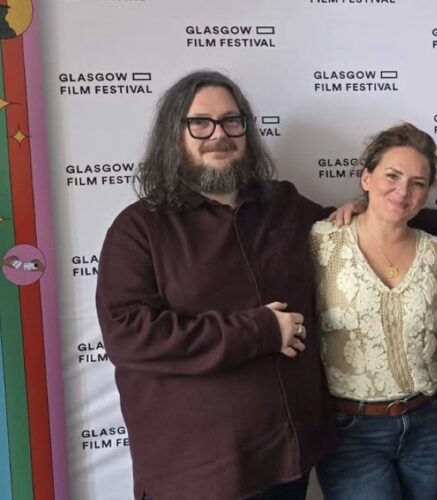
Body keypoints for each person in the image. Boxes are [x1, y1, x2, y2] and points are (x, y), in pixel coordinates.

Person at [95, 70, 337, 500]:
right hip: (197, 476)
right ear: (176, 134)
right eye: (201, 123)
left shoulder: (283, 204)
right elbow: (129, 335)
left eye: (231, 121)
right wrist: (260, 331)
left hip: (287, 464)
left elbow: (358, 235)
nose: (218, 135)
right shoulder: (139, 228)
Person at [310, 123, 437, 500]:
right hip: (351, 432)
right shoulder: (322, 244)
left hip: (430, 424)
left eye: (418, 183)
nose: (403, 191)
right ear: (366, 177)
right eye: (392, 176)